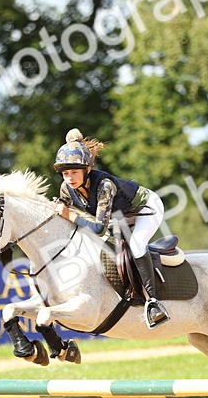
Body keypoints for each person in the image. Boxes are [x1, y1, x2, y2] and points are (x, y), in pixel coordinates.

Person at [52, 128, 170, 328]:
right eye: (65, 173)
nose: (69, 178)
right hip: (117, 217)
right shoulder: (66, 188)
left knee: (136, 245)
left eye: (74, 172)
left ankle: (153, 303)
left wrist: (70, 214)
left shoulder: (104, 185)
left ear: (87, 170)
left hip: (145, 209)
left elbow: (97, 227)